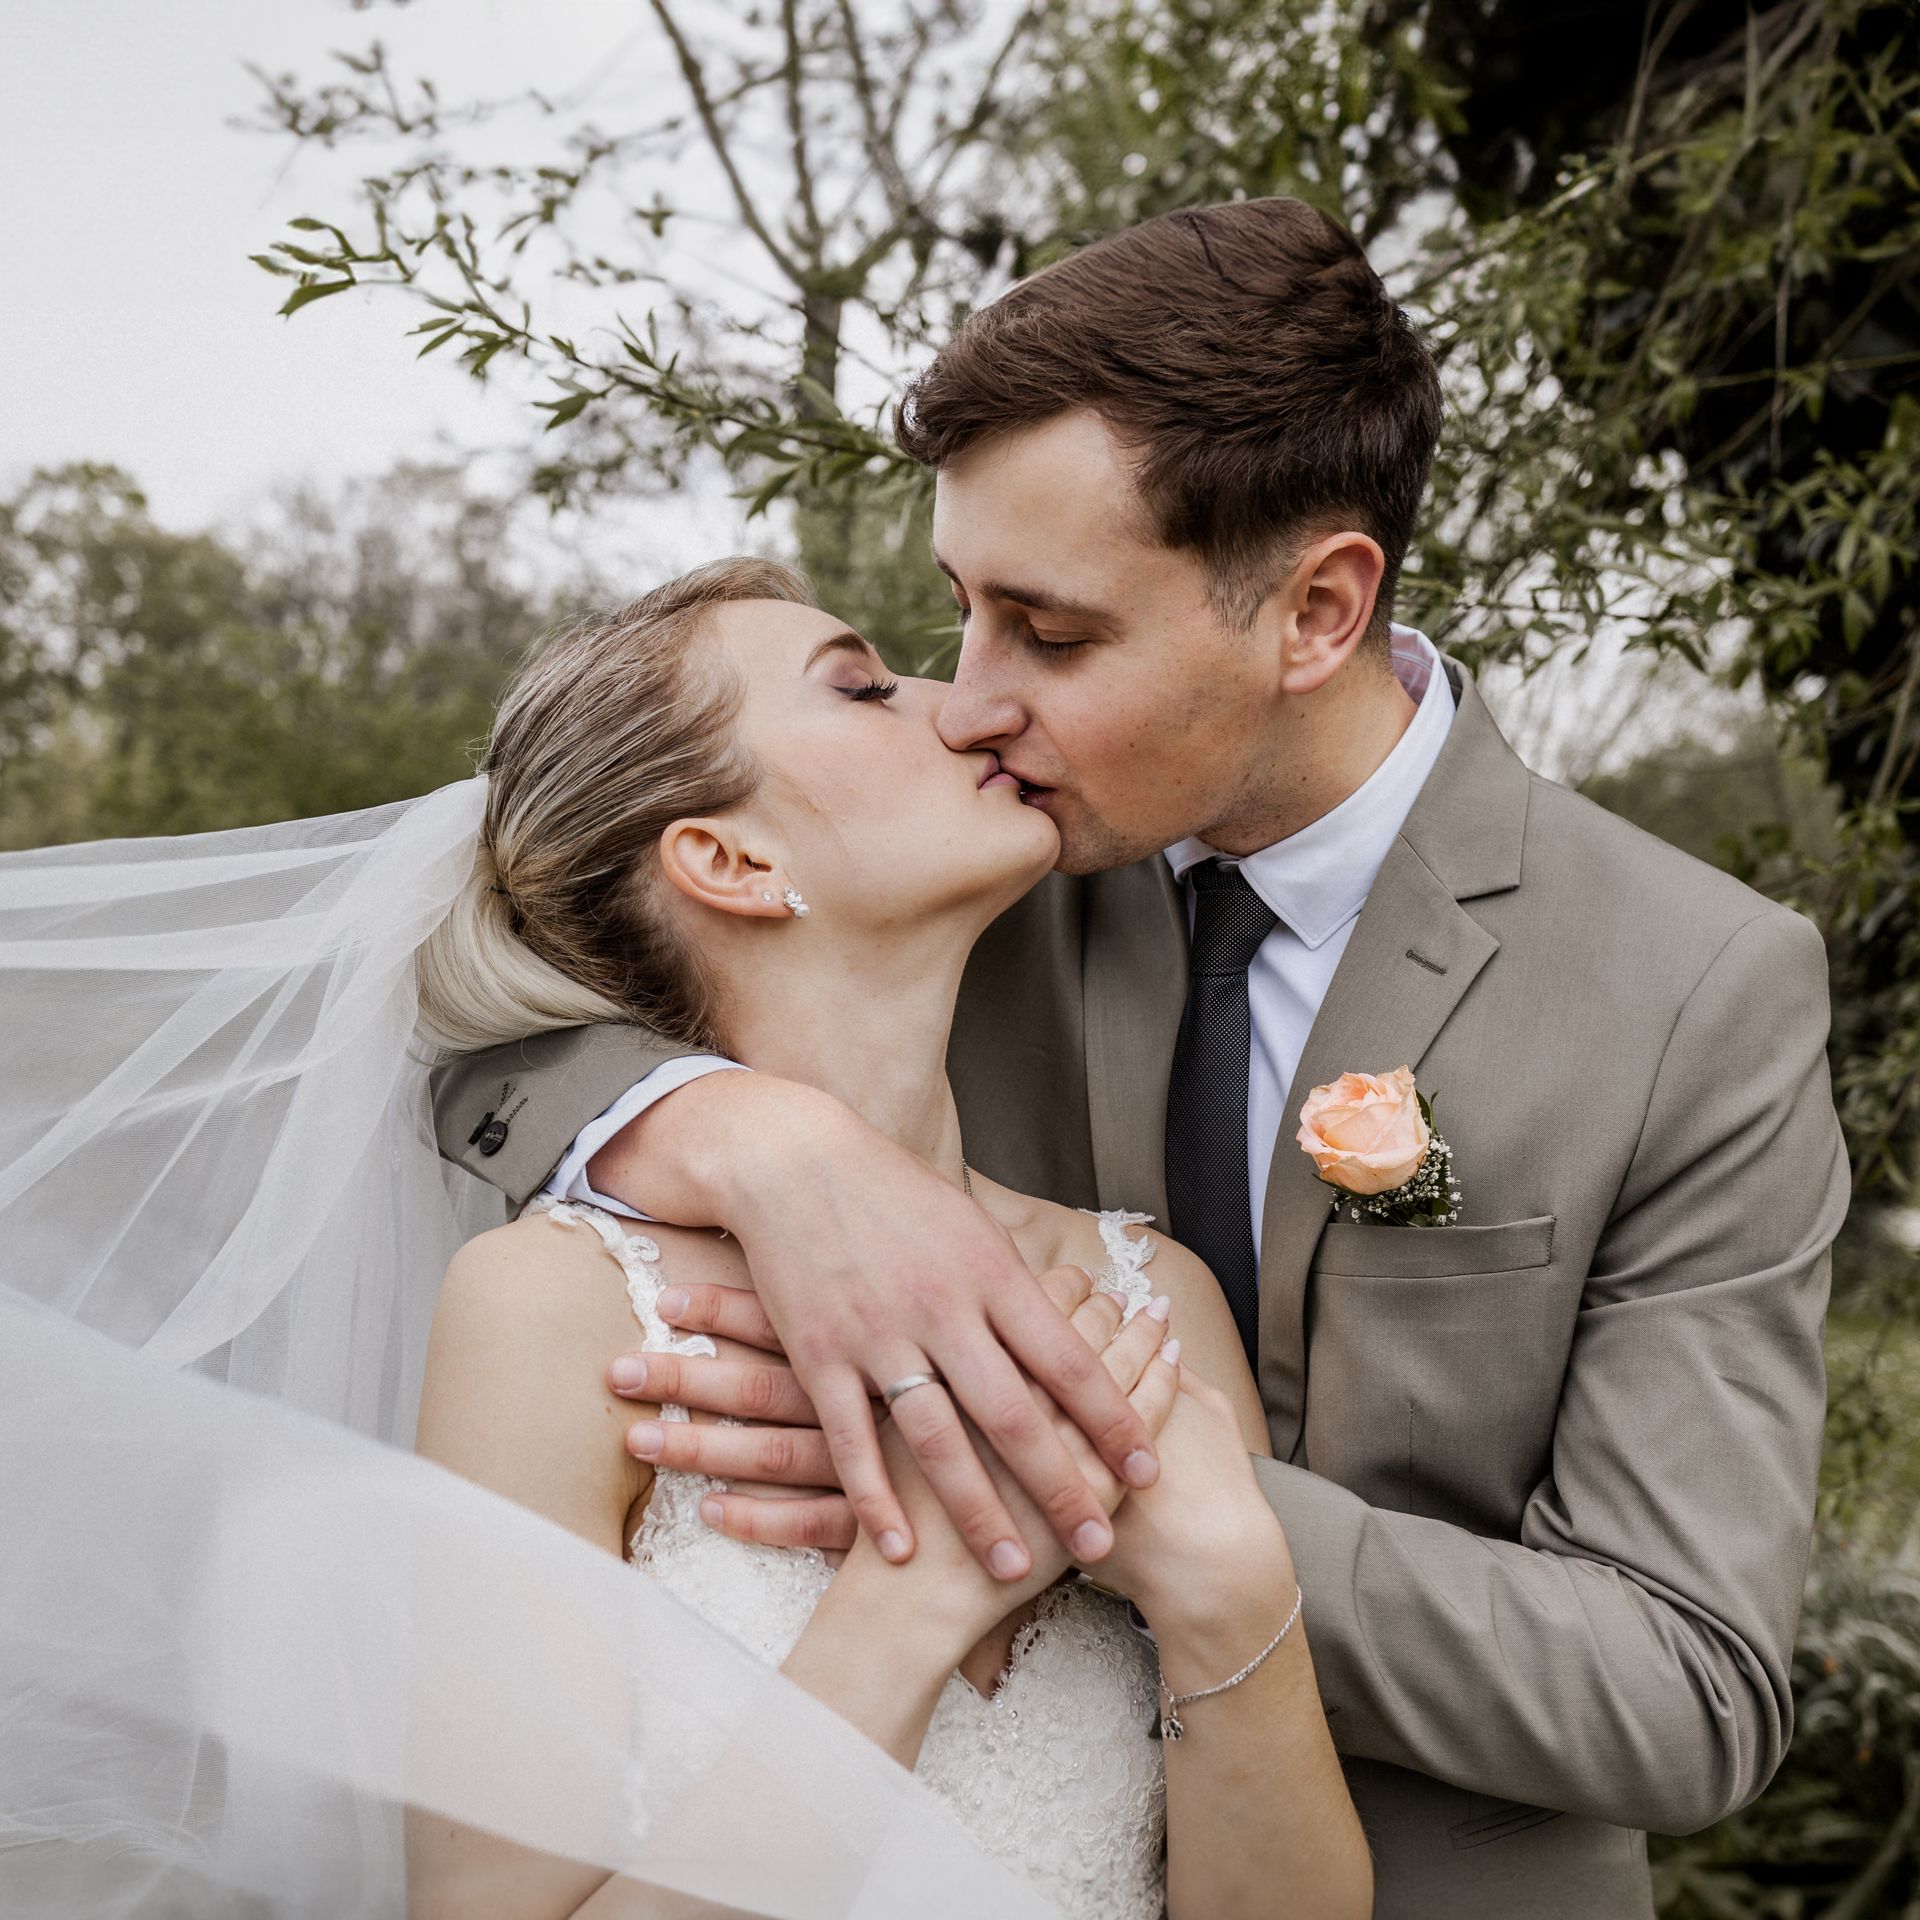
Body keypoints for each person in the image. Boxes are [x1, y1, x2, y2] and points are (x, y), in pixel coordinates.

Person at [435, 197, 1852, 1920]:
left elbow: (1688, 1690)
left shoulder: (1691, 988)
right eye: (959, 611)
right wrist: (736, 1140)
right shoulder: (967, 855)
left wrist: (1114, 1482)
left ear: (1317, 611)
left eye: (1051, 634)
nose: (972, 698)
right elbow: (503, 996)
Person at [407, 558, 1371, 1919]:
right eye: (863, 688)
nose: (964, 708)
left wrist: (1227, 1587)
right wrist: (921, 1588)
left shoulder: (1154, 1294)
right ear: (732, 861)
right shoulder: (554, 1311)